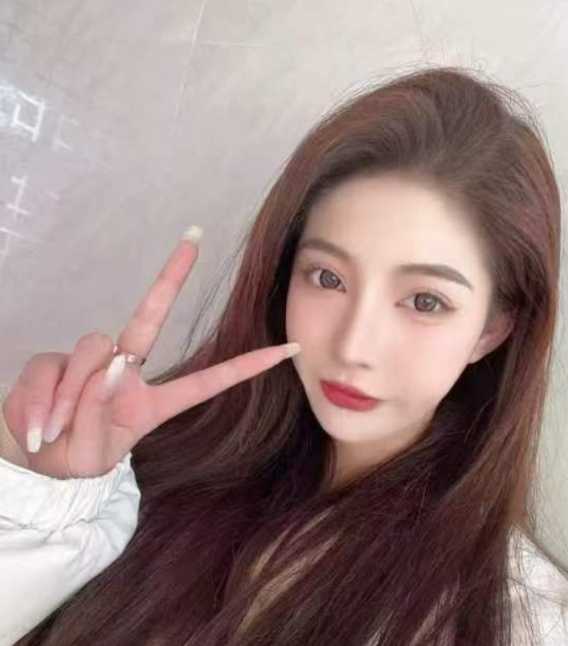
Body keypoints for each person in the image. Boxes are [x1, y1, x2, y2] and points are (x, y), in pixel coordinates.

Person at [1, 65, 567, 645]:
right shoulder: (151, 473)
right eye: (327, 277)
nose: (352, 346)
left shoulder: (517, 620)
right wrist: (47, 501)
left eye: (425, 301)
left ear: (492, 329)